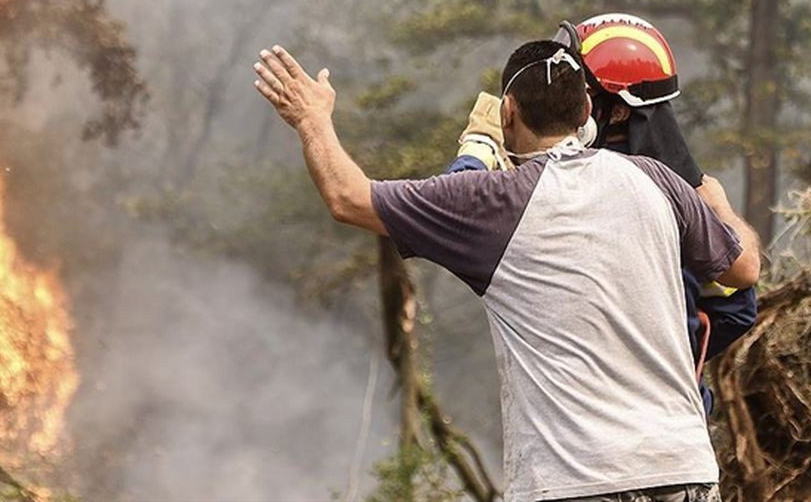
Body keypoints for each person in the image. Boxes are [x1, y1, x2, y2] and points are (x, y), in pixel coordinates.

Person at [253, 39, 760, 502]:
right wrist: (714, 200)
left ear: (508, 112)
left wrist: (311, 118)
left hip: (577, 483)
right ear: (586, 111)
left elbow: (347, 198)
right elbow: (744, 268)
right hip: (686, 470)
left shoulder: (494, 203)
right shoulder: (655, 179)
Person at [450, 14, 758, 413]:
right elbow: (737, 307)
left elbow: (739, 287)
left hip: (616, 427)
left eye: (578, 89)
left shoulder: (610, 193)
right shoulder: (681, 194)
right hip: (671, 424)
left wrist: (478, 151)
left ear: (616, 112)